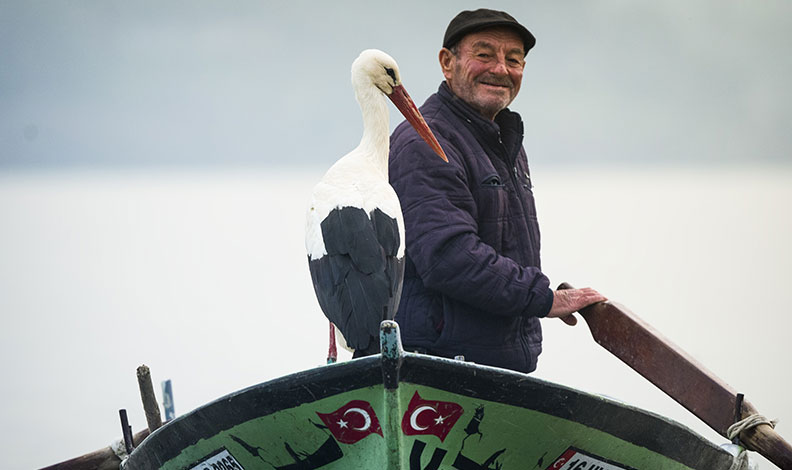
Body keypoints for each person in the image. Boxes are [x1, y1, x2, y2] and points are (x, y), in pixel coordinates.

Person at [388, 9, 606, 373]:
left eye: (513, 59)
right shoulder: (426, 141)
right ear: (447, 63)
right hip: (434, 370)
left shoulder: (504, 141)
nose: (501, 69)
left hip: (491, 368)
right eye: (484, 54)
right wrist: (543, 298)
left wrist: (540, 298)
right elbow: (448, 256)